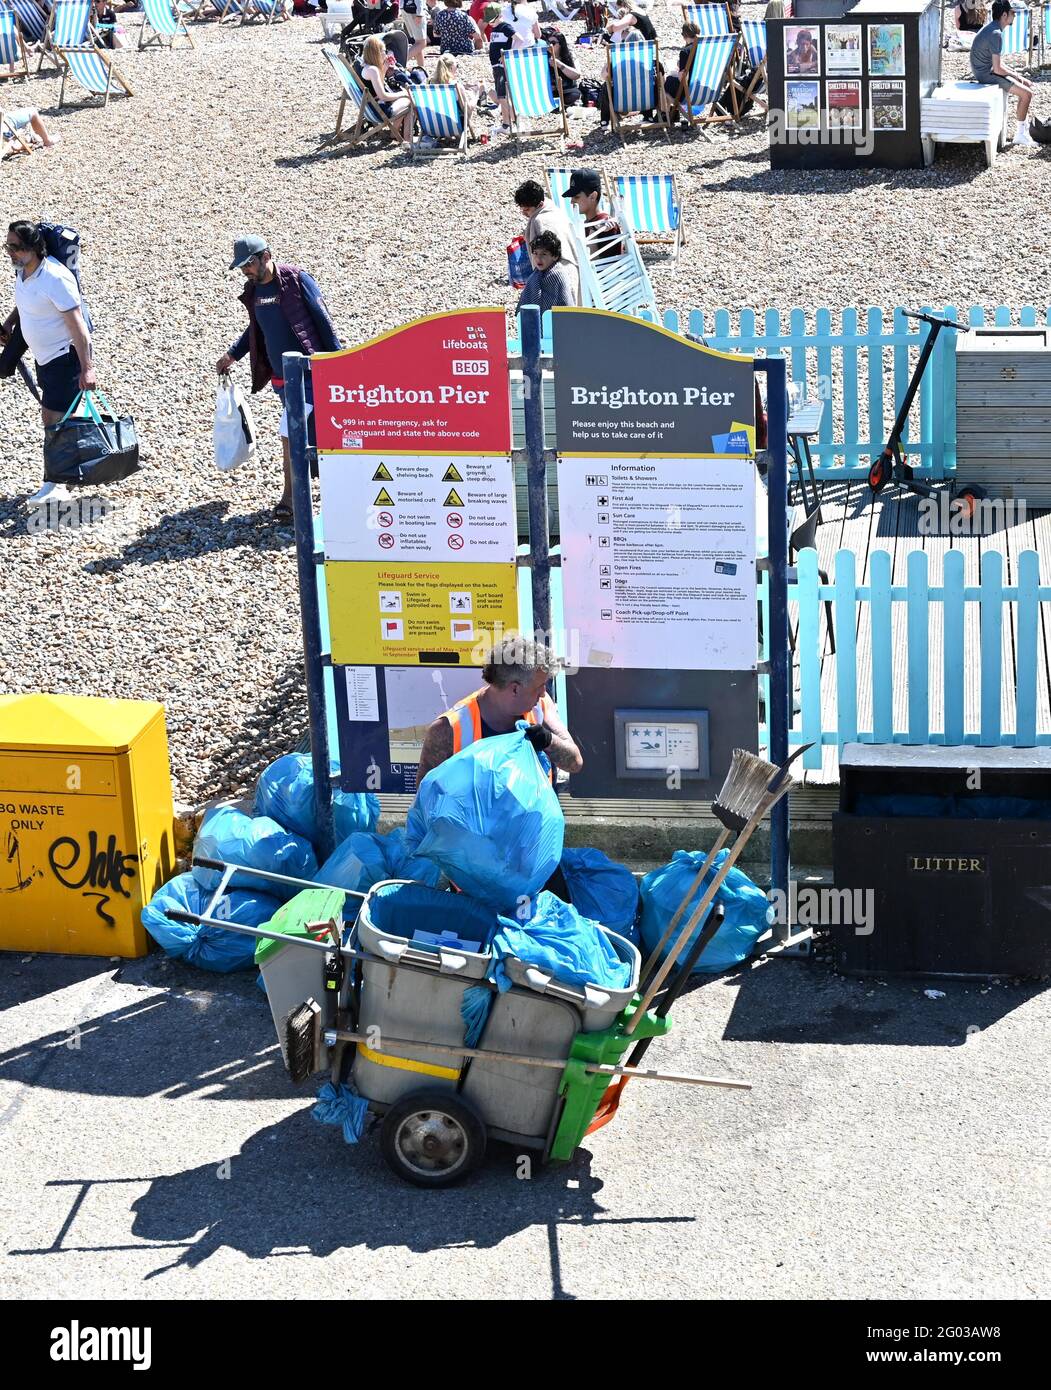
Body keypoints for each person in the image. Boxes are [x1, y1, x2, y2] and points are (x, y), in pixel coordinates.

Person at [215, 237, 341, 520]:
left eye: (248, 264)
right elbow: (256, 330)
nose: (245, 271)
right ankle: (325, 491)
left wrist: (338, 365)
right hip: (281, 380)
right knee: (312, 437)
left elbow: (324, 322)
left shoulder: (296, 280)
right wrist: (232, 355)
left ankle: (291, 500)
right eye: (241, 267)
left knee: (289, 435)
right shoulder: (255, 292)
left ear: (265, 256)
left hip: (308, 375)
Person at [3, 220, 95, 504]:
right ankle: (64, 474)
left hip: (63, 358)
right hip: (43, 355)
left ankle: (56, 484)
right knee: (57, 414)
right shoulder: (25, 272)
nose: (11, 253)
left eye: (16, 248)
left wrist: (88, 369)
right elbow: (27, 302)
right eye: (8, 246)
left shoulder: (55, 277)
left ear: (35, 248)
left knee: (52, 418)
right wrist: (9, 323)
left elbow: (79, 328)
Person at [416, 634, 582, 782]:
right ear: (515, 689)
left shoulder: (541, 707)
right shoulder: (448, 729)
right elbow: (425, 800)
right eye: (539, 686)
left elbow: (575, 763)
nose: (543, 693)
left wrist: (548, 741)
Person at [971, 0, 1035, 145]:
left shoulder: (992, 29)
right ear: (1004, 15)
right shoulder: (996, 34)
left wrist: (1018, 76)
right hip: (986, 75)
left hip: (986, 70)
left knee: (1026, 88)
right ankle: (1020, 135)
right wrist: (1018, 77)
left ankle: (1022, 131)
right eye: (1013, 13)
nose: (1014, 16)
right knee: (1027, 94)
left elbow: (998, 64)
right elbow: (998, 68)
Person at [513, 178, 580, 301]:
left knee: (555, 315)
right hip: (571, 270)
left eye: (527, 209)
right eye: (522, 209)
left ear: (538, 205)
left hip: (556, 274)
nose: (523, 213)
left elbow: (546, 254)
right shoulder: (555, 210)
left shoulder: (540, 221)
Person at [356, 33, 415, 143]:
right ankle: (406, 138)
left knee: (406, 98)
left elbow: (379, 86)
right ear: (376, 53)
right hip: (379, 110)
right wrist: (404, 93)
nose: (386, 53)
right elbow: (383, 95)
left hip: (371, 107)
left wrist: (384, 69)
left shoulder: (365, 67)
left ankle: (396, 133)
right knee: (410, 100)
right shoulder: (373, 70)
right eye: (384, 51)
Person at [566, 167, 625, 259]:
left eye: (576, 197)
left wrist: (594, 232)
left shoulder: (606, 225)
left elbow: (594, 265)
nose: (571, 202)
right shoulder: (587, 223)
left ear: (593, 196)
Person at [517, 231, 577, 315]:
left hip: (556, 323)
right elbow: (526, 297)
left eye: (544, 254)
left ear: (555, 256)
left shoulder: (558, 275)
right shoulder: (535, 274)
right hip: (535, 322)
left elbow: (566, 304)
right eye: (535, 253)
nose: (538, 258)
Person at [664, 19, 699, 119]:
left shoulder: (685, 52)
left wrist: (676, 72)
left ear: (684, 35)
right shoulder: (705, 48)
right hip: (704, 89)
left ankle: (669, 114)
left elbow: (682, 79)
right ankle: (671, 114)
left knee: (668, 82)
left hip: (689, 93)